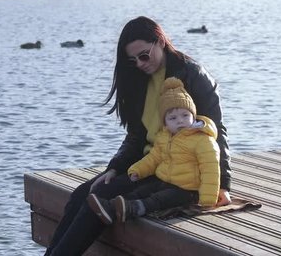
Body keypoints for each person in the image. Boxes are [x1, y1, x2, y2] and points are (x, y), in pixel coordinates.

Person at [44, 16, 232, 256]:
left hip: (178, 170)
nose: (140, 64)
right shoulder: (138, 79)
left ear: (161, 41)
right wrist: (114, 168)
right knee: (84, 192)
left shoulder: (192, 75)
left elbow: (217, 131)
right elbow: (136, 136)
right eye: (133, 60)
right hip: (150, 162)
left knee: (99, 198)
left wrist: (224, 185)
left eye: (144, 55)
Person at [86, 77, 220, 225]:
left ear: (193, 116)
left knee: (159, 199)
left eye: (185, 115)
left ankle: (135, 209)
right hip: (166, 180)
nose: (180, 121)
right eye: (173, 118)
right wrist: (137, 170)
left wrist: (208, 199)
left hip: (188, 190)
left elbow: (211, 169)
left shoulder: (202, 139)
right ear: (165, 122)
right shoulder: (165, 137)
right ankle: (111, 209)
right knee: (141, 191)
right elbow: (153, 158)